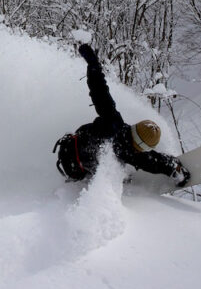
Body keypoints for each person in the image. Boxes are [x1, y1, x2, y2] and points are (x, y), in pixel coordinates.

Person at [53, 43, 190, 186]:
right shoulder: (131, 153)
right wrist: (173, 168)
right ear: (142, 146)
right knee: (117, 172)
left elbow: (99, 91)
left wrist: (93, 65)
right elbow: (153, 162)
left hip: (73, 152)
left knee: (109, 163)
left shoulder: (113, 121)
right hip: (80, 167)